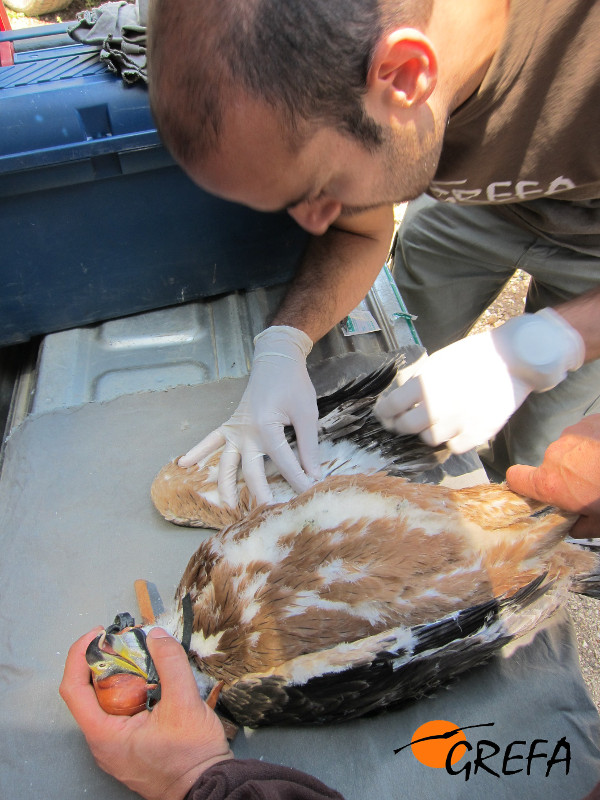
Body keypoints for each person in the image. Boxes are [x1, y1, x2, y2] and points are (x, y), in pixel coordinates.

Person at [145, 0, 600, 507]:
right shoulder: (353, 63)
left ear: (406, 74)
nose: (318, 225)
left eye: (319, 188)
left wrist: (546, 345)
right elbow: (358, 233)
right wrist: (285, 341)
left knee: (550, 452)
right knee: (398, 370)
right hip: (465, 198)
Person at [60, 416, 600, 799]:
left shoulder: (198, 582)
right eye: (120, 677)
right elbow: (430, 647)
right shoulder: (247, 688)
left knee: (175, 488)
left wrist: (194, 780)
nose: (116, 651)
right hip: (503, 553)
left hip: (494, 518)